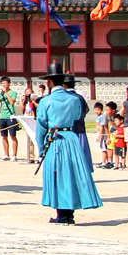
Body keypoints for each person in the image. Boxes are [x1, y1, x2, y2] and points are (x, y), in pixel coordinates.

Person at [36, 63, 101, 225]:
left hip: (55, 138)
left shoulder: (46, 101)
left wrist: (41, 147)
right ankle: (69, 213)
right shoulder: (74, 99)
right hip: (71, 137)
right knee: (71, 174)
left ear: (50, 82)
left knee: (57, 174)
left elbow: (41, 126)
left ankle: (61, 213)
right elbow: (78, 115)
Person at [0, 77, 19, 161]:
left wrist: (6, 92)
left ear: (9, 83)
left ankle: (14, 155)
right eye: (2, 83)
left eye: (5, 83)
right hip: (2, 116)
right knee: (4, 136)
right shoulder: (1, 93)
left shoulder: (13, 93)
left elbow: (12, 102)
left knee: (13, 136)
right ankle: (6, 154)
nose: (4, 85)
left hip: (10, 116)